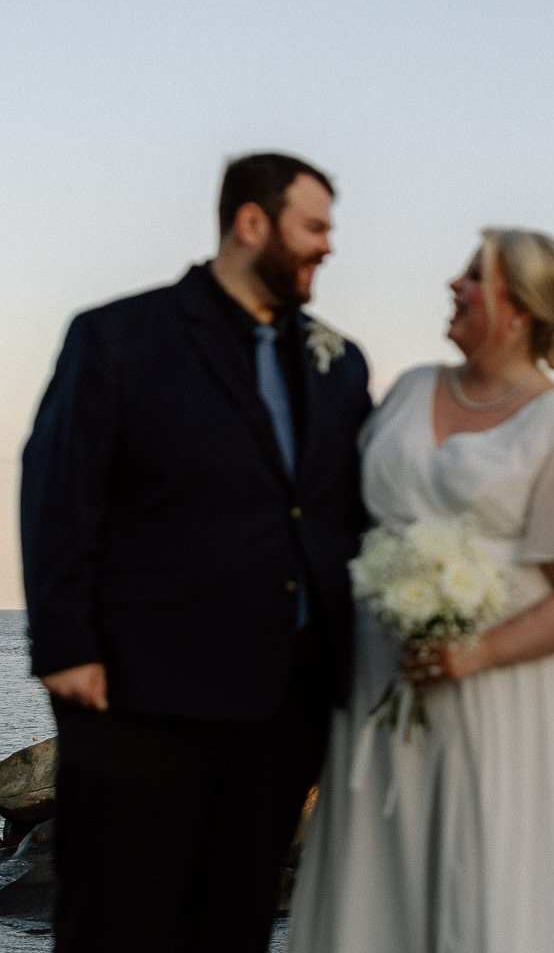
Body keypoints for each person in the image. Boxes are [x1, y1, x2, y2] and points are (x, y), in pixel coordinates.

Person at [20, 152, 372, 953]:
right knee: (117, 926)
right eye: (314, 227)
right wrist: (65, 648)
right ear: (253, 222)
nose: (328, 246)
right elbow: (58, 488)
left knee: (235, 927)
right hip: (141, 701)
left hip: (284, 706)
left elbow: (348, 513)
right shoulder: (119, 337)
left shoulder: (339, 362)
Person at [288, 227, 554, 953]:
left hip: (498, 698)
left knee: (478, 884)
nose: (453, 286)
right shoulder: (412, 389)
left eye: (472, 276)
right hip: (380, 687)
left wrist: (478, 651)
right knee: (375, 881)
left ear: (519, 308)